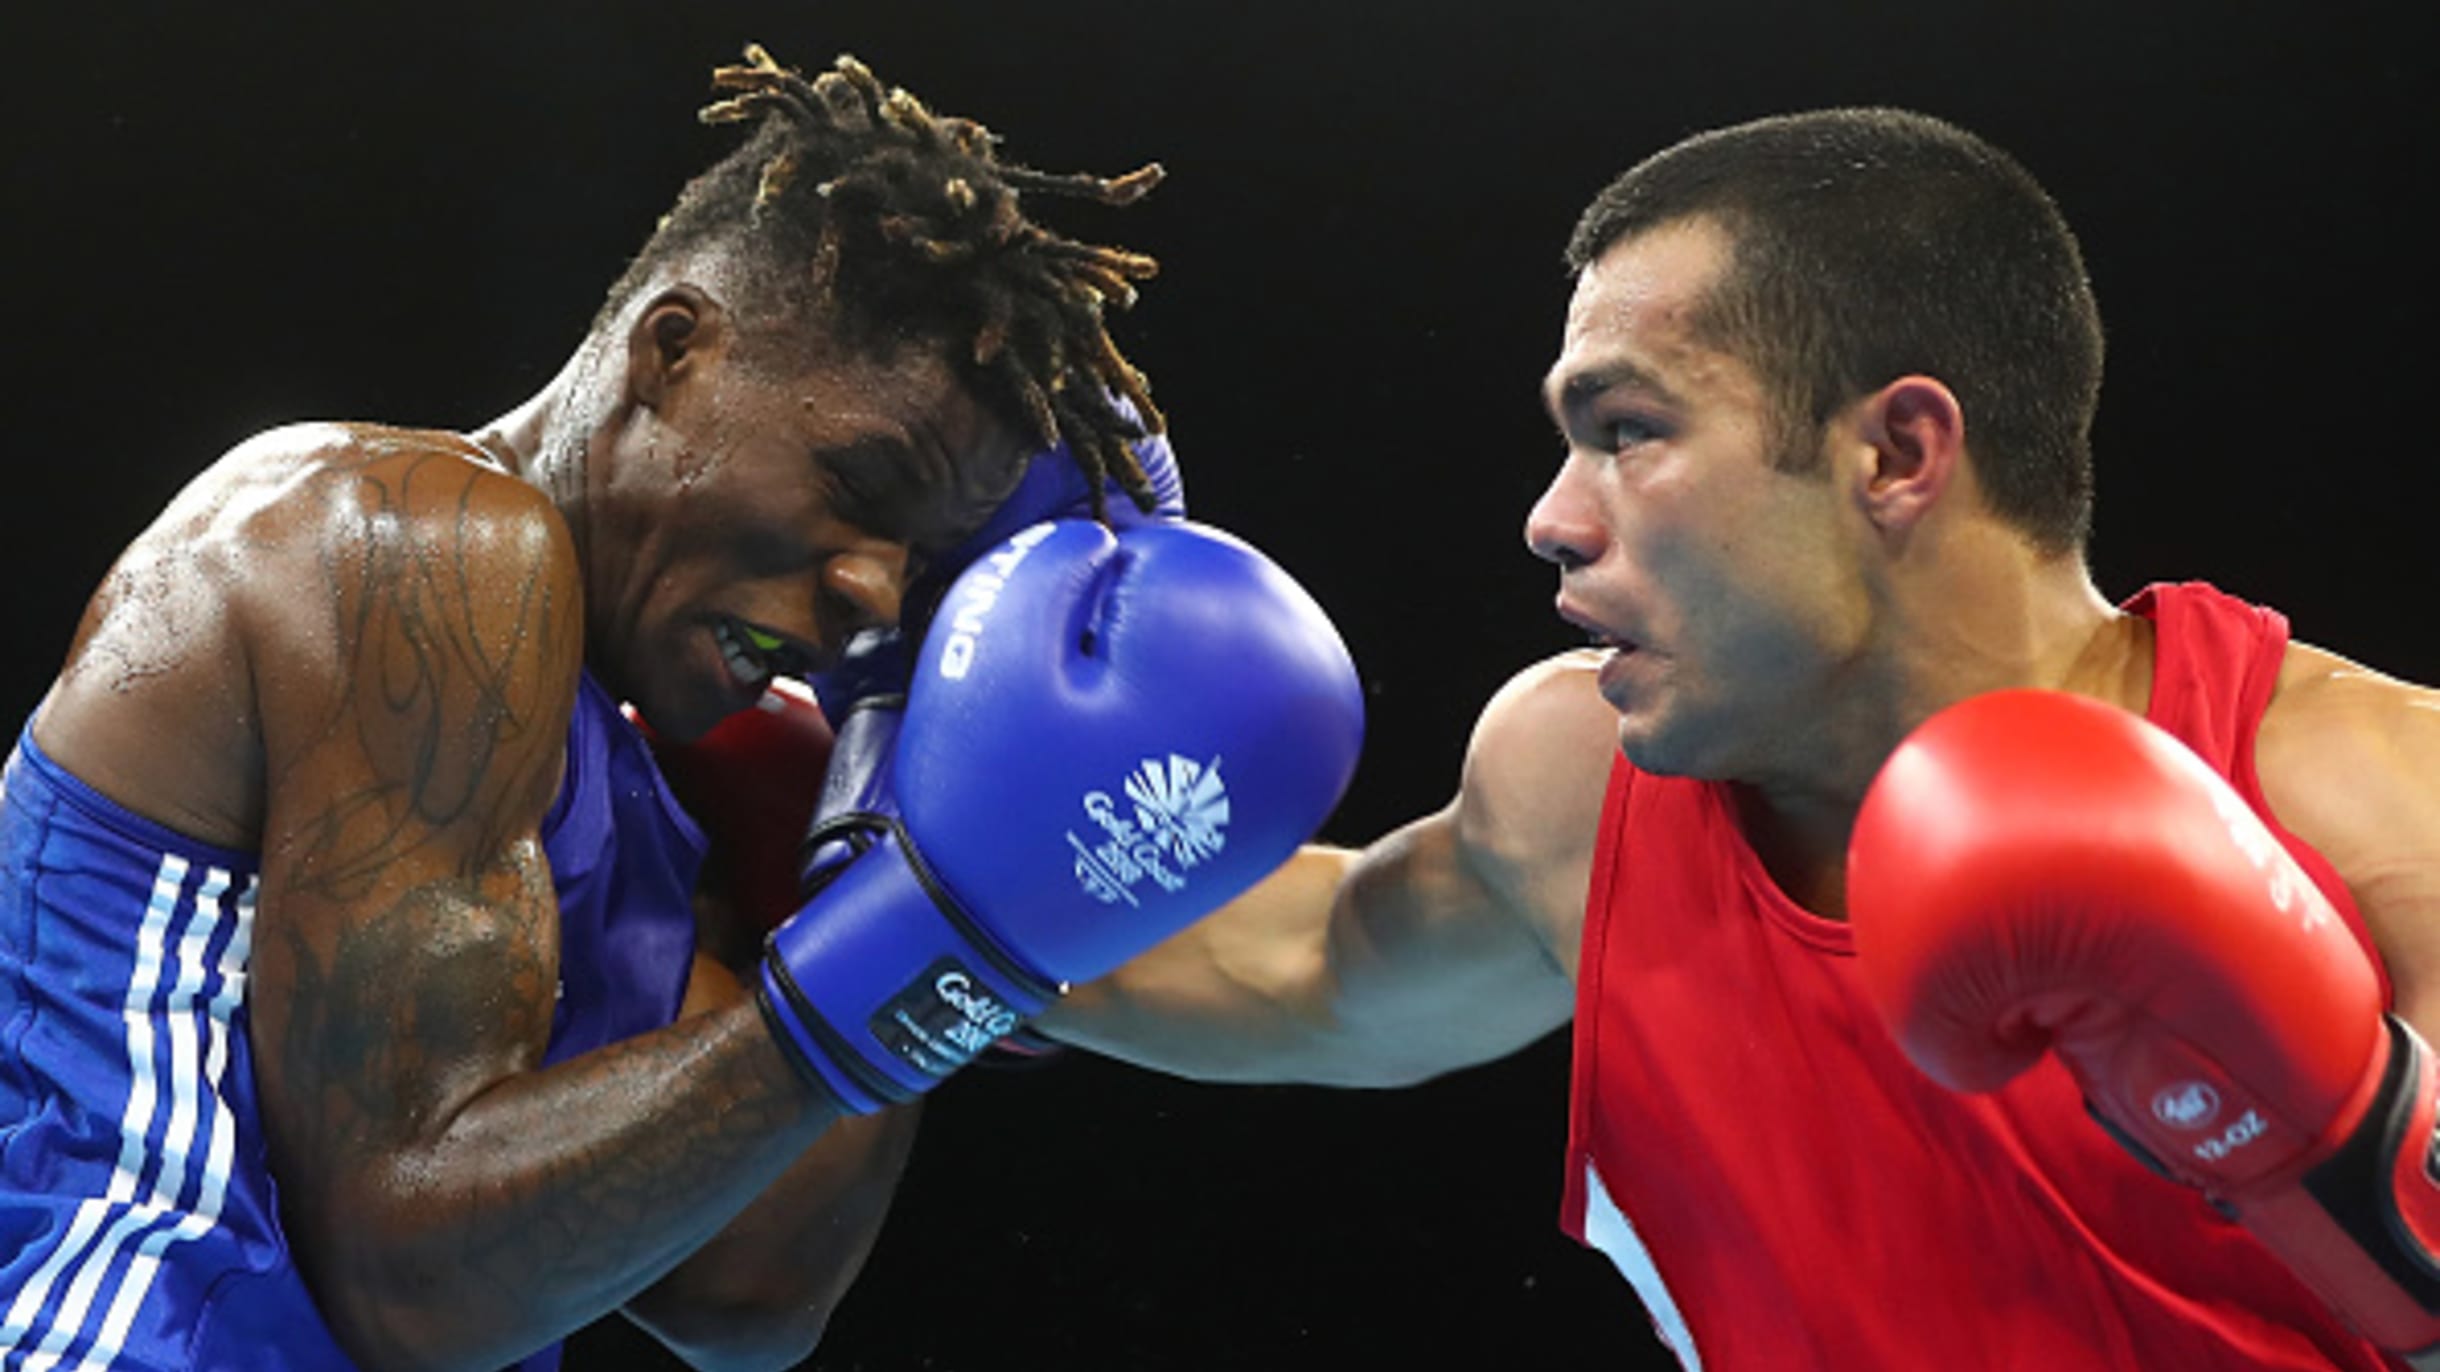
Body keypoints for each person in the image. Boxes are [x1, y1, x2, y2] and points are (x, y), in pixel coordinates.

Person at [0, 42, 1363, 1372]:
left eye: (921, 564)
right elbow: (410, 1289)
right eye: (863, 490)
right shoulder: (419, 537)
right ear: (676, 351)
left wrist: (895, 873)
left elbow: (748, 1288)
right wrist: (917, 953)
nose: (875, 593)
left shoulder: (638, 786)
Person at [1040, 106, 2440, 1369]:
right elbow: (1316, 969)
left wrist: (2354, 1152)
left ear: (1895, 455)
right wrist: (901, 895)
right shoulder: (1580, 790)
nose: (1553, 519)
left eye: (1630, 429)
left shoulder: (2379, 809)